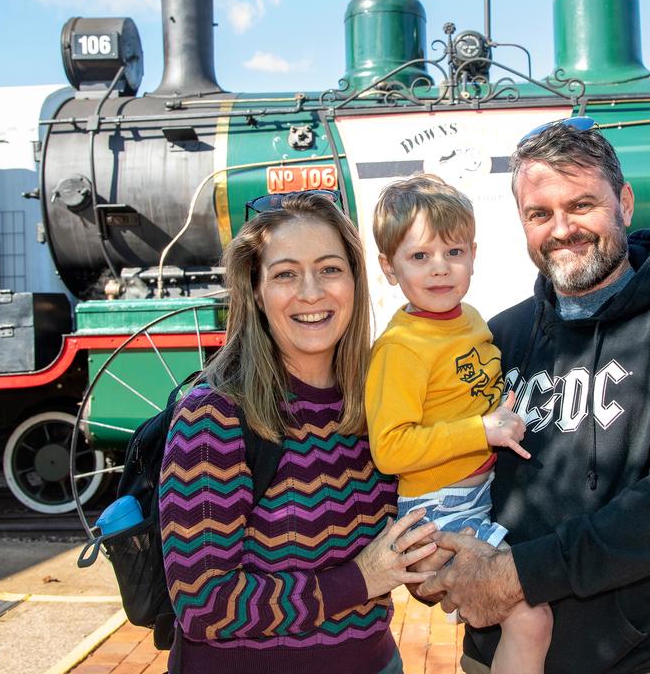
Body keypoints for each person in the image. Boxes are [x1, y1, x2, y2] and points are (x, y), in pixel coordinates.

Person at [419, 119, 650, 674]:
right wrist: (439, 559)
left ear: (623, 202)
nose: (562, 229)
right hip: (502, 649)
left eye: (581, 205)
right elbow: (448, 468)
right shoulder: (502, 336)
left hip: (647, 650)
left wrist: (521, 574)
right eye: (539, 214)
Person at [158, 190, 439, 674]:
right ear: (256, 290)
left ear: (355, 281)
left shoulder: (377, 401)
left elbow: (397, 541)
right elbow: (204, 604)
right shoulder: (216, 415)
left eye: (330, 268)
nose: (311, 292)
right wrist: (360, 579)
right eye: (286, 273)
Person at [365, 173, 553, 674]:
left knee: (533, 605)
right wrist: (482, 431)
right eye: (420, 256)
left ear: (473, 253)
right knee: (531, 616)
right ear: (389, 267)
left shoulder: (468, 317)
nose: (440, 269)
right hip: (437, 510)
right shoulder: (402, 348)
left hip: (477, 494)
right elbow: (389, 448)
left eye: (453, 252)